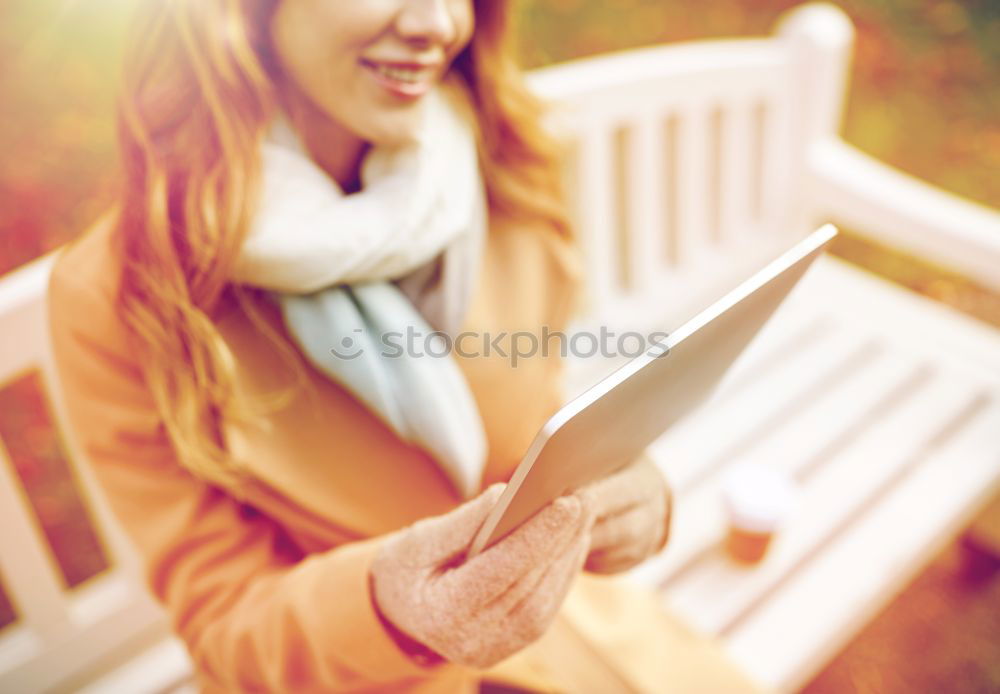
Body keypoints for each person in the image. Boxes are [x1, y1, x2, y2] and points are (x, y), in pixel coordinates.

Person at [47, 1, 760, 692]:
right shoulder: (121, 298)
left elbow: (530, 415)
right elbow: (226, 623)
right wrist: (388, 610)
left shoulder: (496, 154)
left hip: (561, 625)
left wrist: (628, 485)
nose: (438, 24)